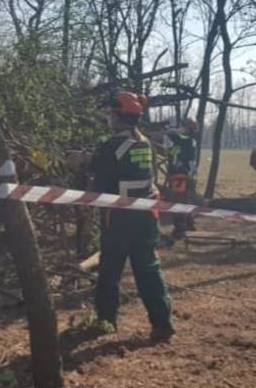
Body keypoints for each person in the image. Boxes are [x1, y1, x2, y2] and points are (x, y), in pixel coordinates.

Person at [88, 90, 175, 342]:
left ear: (117, 116)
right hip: (146, 216)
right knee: (148, 269)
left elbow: (101, 185)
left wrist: (85, 165)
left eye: (110, 114)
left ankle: (106, 322)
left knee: (110, 271)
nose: (108, 118)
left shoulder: (110, 145)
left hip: (118, 219)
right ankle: (162, 323)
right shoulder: (145, 143)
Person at [164, 118, 199, 240]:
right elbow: (173, 149)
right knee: (185, 199)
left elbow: (173, 136)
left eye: (182, 126)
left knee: (178, 202)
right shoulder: (189, 140)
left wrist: (169, 130)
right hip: (187, 173)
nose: (180, 128)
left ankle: (180, 230)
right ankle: (189, 223)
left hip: (180, 174)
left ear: (187, 128)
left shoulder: (185, 140)